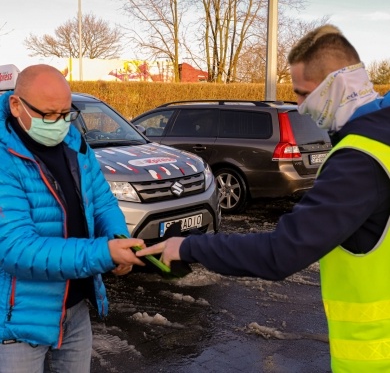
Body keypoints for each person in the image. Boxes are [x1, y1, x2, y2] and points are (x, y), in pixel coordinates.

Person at [137, 24, 390, 372]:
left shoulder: (359, 160)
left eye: (302, 94)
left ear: (340, 87)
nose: (300, 108)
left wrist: (186, 247)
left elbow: (281, 253)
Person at [0, 64, 145, 373]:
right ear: (16, 105)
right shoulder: (3, 159)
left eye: (66, 114)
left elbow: (103, 202)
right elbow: (15, 249)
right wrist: (102, 254)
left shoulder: (74, 144)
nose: (59, 124)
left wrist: (117, 240)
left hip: (75, 310)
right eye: (49, 115)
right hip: (19, 321)